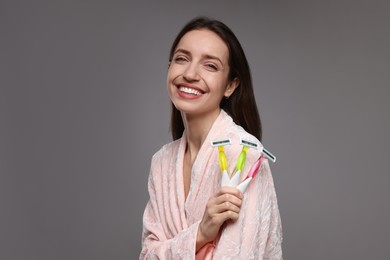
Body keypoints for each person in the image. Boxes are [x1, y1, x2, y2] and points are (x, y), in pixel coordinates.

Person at [140, 16, 282, 259]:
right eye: (182, 59)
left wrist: (172, 248)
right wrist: (202, 234)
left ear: (230, 85)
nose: (190, 74)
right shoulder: (161, 162)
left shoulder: (244, 154)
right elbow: (147, 254)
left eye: (210, 66)